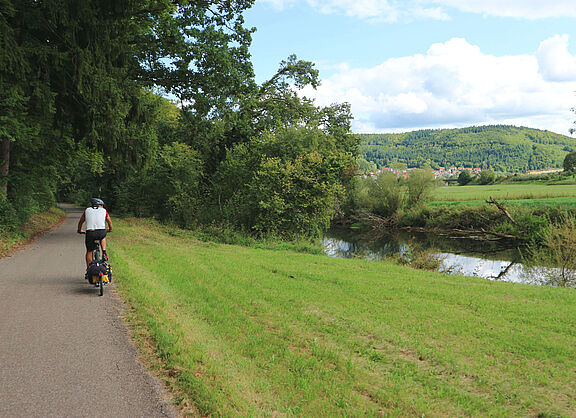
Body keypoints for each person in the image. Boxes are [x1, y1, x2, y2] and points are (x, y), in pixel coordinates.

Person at [77, 198, 113, 268]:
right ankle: (104, 252)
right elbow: (109, 222)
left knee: (89, 251)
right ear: (100, 205)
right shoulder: (104, 211)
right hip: (101, 232)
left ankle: (89, 269)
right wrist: (110, 229)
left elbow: (80, 222)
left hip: (90, 233)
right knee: (103, 236)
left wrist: (79, 230)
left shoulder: (87, 210)